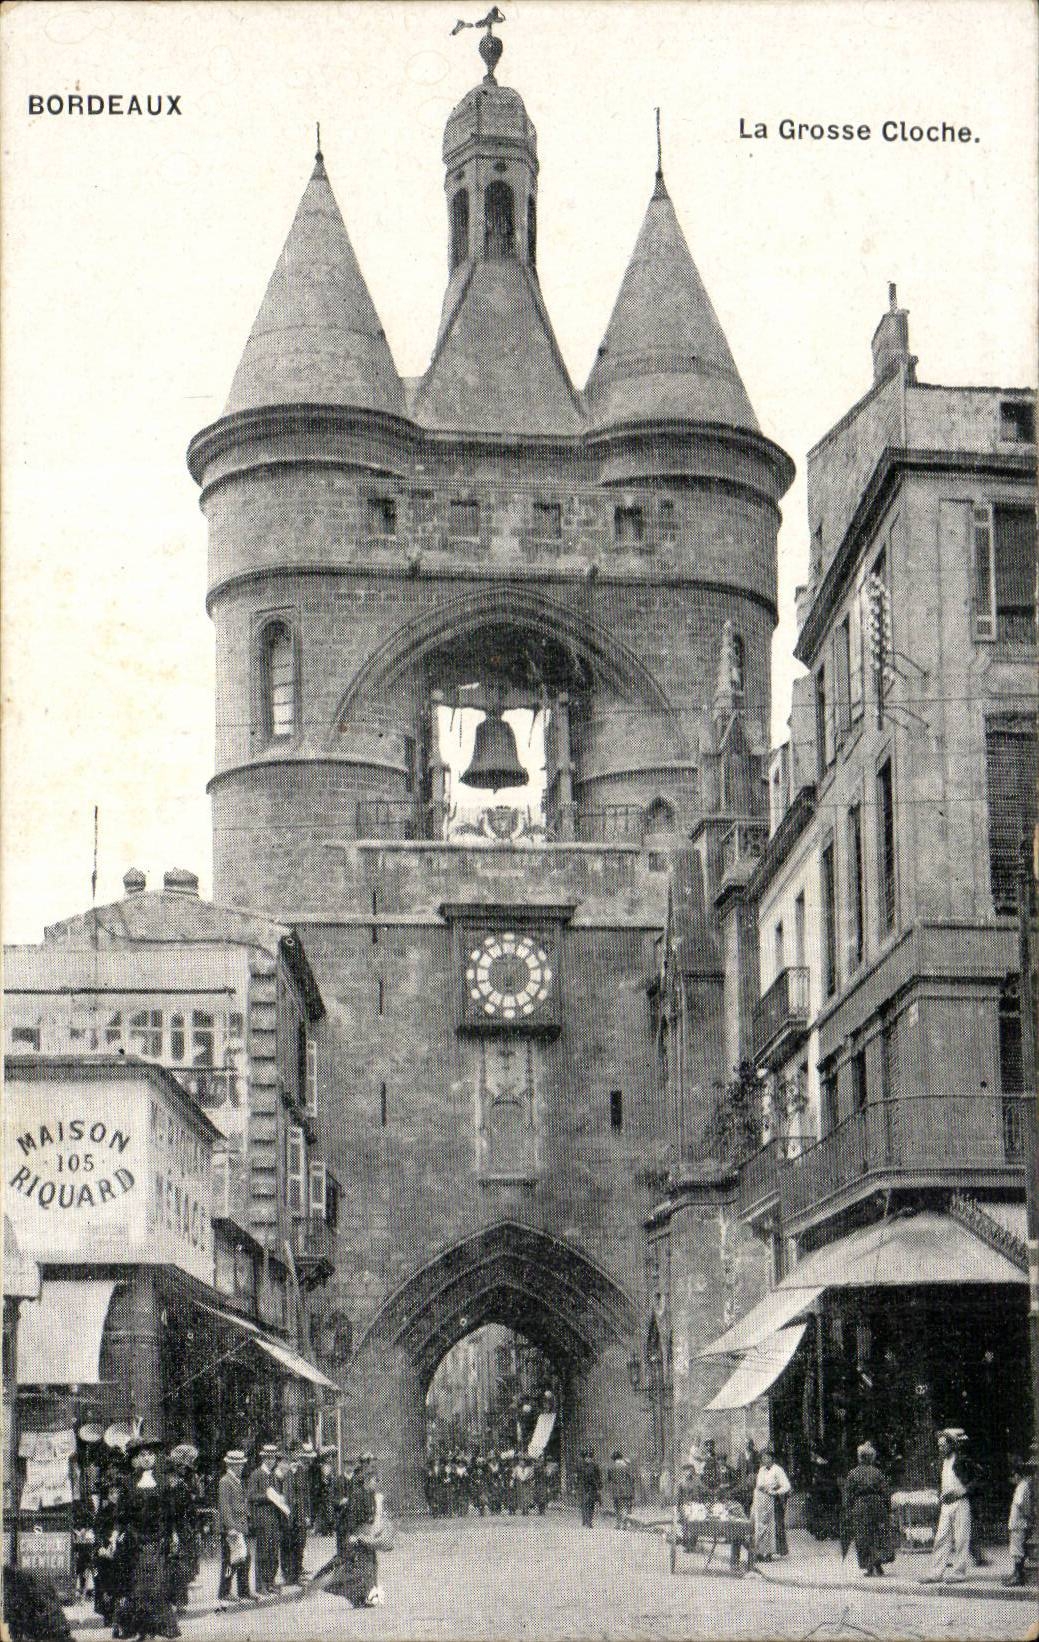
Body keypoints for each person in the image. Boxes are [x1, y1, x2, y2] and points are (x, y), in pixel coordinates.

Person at [116, 1432, 179, 1641]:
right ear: (137, 1458)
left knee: (157, 1585)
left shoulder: (163, 1482)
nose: (146, 1458)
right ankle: (141, 1630)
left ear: (154, 1457)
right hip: (136, 1541)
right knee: (139, 1587)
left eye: (150, 1455)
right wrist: (120, 1533)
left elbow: (171, 1512)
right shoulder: (127, 1483)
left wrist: (173, 1534)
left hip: (159, 1540)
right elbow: (121, 1513)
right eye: (142, 1455)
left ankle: (155, 1630)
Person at [321, 1453, 383, 1607]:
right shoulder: (358, 1493)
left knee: (369, 1565)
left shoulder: (369, 1494)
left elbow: (372, 1515)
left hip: (364, 1535)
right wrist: (353, 1534)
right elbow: (353, 1516)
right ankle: (327, 1582)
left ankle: (366, 1596)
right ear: (368, 1481)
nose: (376, 1484)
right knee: (354, 1564)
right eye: (375, 1481)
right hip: (354, 1533)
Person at [921, 1429, 978, 1584]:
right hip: (946, 1505)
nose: (940, 1449)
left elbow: (978, 1479)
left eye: (943, 1445)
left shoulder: (962, 1460)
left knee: (961, 1539)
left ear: (951, 1445)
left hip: (961, 1503)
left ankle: (959, 1573)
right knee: (941, 1538)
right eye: (939, 1446)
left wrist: (963, 1491)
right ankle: (935, 1573)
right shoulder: (942, 1463)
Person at [842, 1442, 892, 1578]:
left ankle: (869, 1567)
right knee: (878, 1534)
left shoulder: (853, 1473)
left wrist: (848, 1509)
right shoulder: (877, 1472)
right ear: (871, 1457)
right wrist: (888, 1508)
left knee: (863, 1536)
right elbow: (885, 1492)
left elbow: (848, 1494)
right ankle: (879, 1565)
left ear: (860, 1457)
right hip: (877, 1505)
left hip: (860, 1506)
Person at [166, 1445, 201, 1612]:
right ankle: (175, 1601)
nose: (183, 1470)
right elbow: (171, 1509)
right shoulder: (171, 1483)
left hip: (186, 1526)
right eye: (181, 1467)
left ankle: (180, 1601)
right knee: (175, 1564)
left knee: (183, 1564)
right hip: (175, 1526)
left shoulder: (187, 1480)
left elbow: (194, 1500)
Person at [216, 1449, 253, 1608]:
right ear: (230, 1465)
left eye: (241, 1464)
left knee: (245, 1559)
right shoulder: (225, 1481)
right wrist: (231, 1528)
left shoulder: (236, 1480)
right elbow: (225, 1507)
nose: (240, 1467)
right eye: (237, 1465)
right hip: (232, 1528)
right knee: (230, 1562)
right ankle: (225, 1591)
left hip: (240, 1526)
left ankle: (243, 1590)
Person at [246, 1442, 284, 1595]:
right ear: (263, 1459)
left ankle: (270, 1581)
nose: (270, 1461)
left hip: (274, 1518)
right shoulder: (256, 1474)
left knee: (274, 1552)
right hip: (262, 1519)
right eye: (268, 1458)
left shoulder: (274, 1475)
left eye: (273, 1458)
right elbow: (251, 1496)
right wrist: (268, 1497)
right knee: (263, 1551)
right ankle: (260, 1584)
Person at [93, 1476, 129, 1628]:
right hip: (106, 1551)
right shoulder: (103, 1512)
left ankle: (120, 1613)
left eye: (117, 1492)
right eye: (112, 1493)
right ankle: (108, 1613)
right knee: (105, 1581)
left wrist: (120, 1539)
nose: (115, 1495)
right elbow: (98, 1532)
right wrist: (102, 1546)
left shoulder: (126, 1512)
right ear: (108, 1495)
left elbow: (128, 1529)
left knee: (121, 1581)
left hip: (122, 1549)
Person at [751, 1446, 791, 1561]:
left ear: (772, 1458)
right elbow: (759, 1484)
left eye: (767, 1457)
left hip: (772, 1501)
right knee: (759, 1526)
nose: (764, 1460)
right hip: (760, 1501)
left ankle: (768, 1553)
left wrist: (775, 1492)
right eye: (763, 1458)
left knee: (771, 1528)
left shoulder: (777, 1470)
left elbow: (787, 1486)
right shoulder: (761, 1470)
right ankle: (759, 1552)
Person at [1003, 1455, 1032, 1587]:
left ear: (1017, 1475)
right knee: (1015, 1550)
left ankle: (1018, 1575)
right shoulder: (1021, 1486)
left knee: (1017, 1550)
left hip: (1019, 1524)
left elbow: (1023, 1506)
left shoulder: (1023, 1486)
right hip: (1016, 1524)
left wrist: (1028, 1517)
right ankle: (1016, 1573)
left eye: (1013, 1476)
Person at [607, 1450, 635, 1529]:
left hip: (616, 1490)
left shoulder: (611, 1467)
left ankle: (618, 1524)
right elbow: (632, 1478)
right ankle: (624, 1524)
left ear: (613, 1459)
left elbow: (609, 1480)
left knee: (617, 1507)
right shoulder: (627, 1466)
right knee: (625, 1506)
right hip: (626, 1489)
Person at [575, 1448, 601, 1528]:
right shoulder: (579, 1466)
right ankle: (585, 1519)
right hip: (582, 1487)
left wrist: (599, 1487)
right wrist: (575, 1487)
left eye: (590, 1457)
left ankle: (589, 1521)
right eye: (587, 1457)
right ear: (584, 1457)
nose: (588, 1459)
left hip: (592, 1487)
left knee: (591, 1504)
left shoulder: (595, 1466)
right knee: (584, 1504)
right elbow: (576, 1478)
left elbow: (598, 1477)